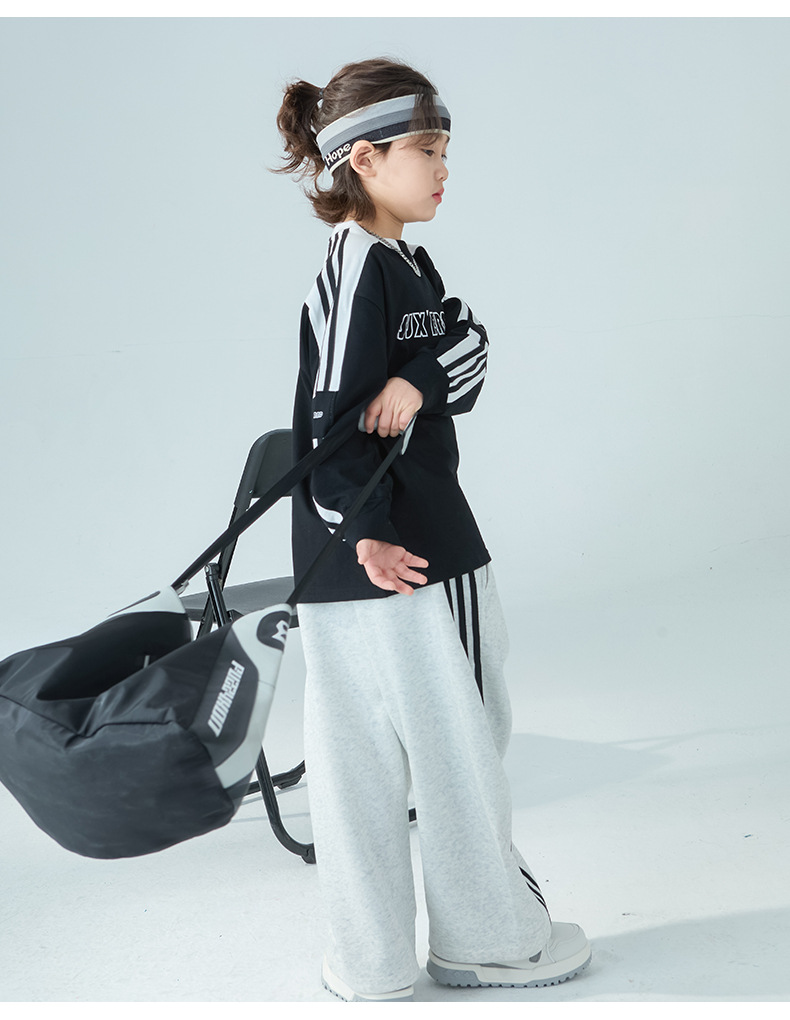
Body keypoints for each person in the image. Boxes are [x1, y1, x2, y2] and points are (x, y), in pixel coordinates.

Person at [274, 57, 591, 1002]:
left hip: (357, 557)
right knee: (457, 748)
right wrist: (369, 531)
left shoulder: (405, 265)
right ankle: (488, 941)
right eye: (427, 149)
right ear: (364, 159)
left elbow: (471, 346)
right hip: (409, 554)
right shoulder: (358, 269)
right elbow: (328, 420)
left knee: (365, 765)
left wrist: (418, 379)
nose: (445, 168)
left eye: (446, 148)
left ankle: (370, 966)